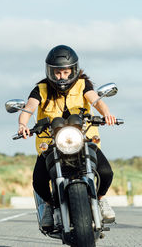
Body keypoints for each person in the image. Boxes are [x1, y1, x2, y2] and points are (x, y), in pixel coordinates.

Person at [18, 45, 116, 230]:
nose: (61, 77)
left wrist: (107, 114)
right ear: (50, 72)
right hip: (51, 142)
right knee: (38, 181)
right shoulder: (41, 89)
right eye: (57, 73)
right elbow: (29, 109)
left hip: (84, 140)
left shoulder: (83, 84)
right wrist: (23, 124)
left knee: (106, 173)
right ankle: (49, 205)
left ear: (73, 70)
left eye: (65, 72)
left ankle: (101, 200)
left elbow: (96, 100)